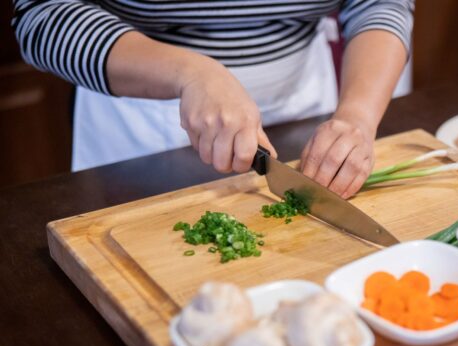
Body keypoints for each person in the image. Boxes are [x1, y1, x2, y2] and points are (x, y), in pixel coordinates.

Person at [12, 0, 413, 198]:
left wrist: (357, 115)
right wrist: (191, 72)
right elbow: (42, 15)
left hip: (302, 112)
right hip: (139, 132)